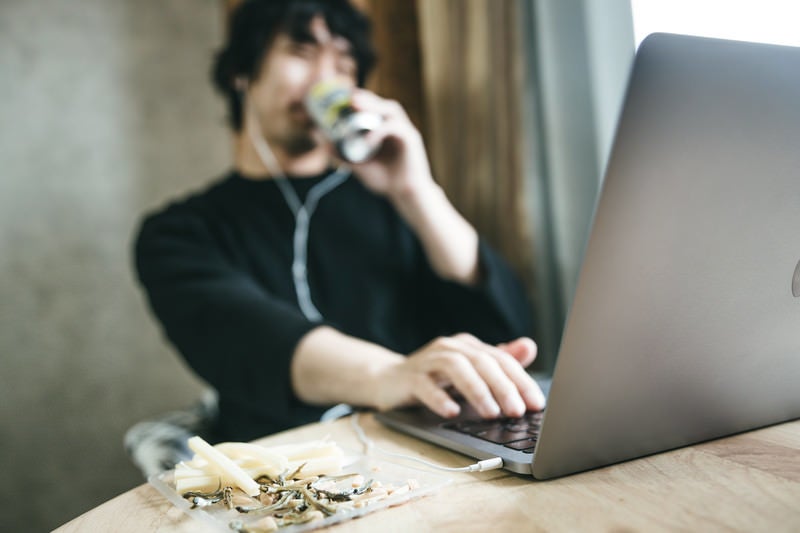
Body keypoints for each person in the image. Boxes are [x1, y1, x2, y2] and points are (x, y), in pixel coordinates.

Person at [133, 0, 545, 445]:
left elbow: (505, 330)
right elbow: (250, 341)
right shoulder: (179, 233)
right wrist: (392, 374)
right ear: (241, 72)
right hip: (283, 475)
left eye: (344, 64)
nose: (325, 80)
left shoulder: (391, 203)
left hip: (423, 452)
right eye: (302, 54)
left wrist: (416, 191)